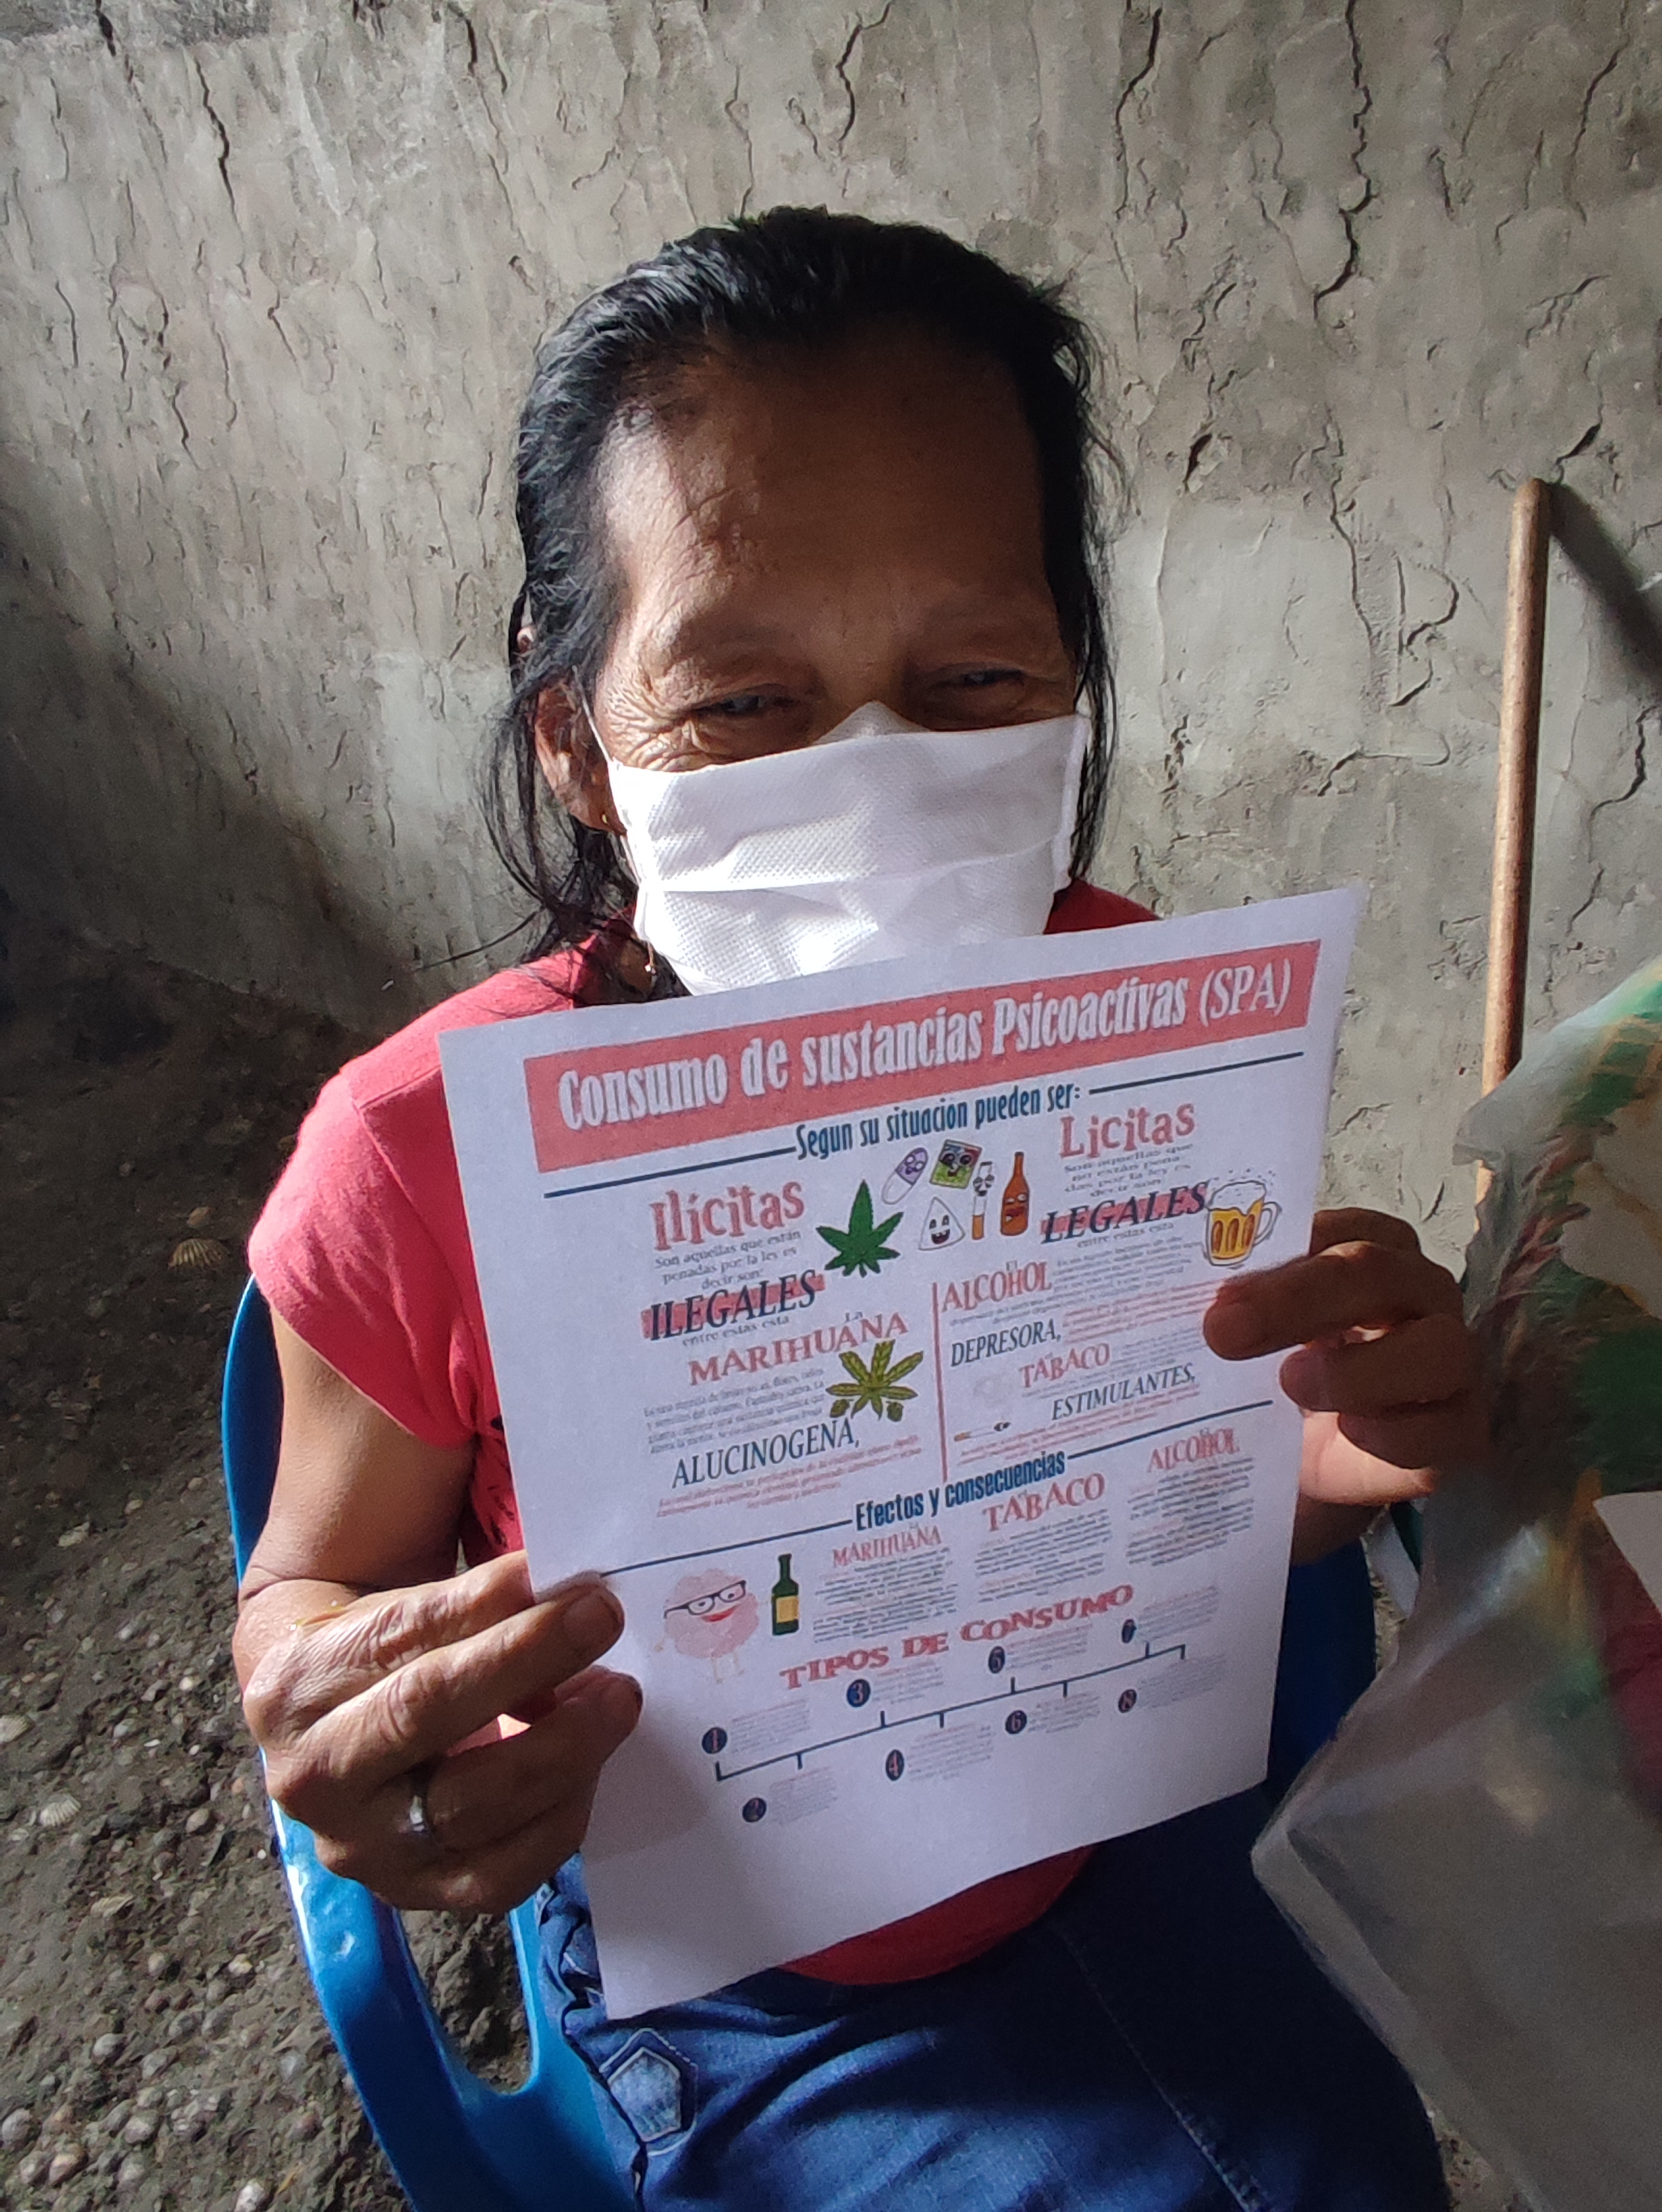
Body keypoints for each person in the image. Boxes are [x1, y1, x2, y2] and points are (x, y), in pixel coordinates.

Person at [235, 209, 1483, 2211]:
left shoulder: (1136, 1025)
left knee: (1344, 2169)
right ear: (580, 747)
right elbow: (309, 1594)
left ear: (1071, 691)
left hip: (1129, 1814)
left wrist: (1329, 1453)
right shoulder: (416, 1157)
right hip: (739, 1967)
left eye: (973, 673)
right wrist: (347, 1709)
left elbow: (1182, 1485)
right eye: (743, 705)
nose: (877, 783)